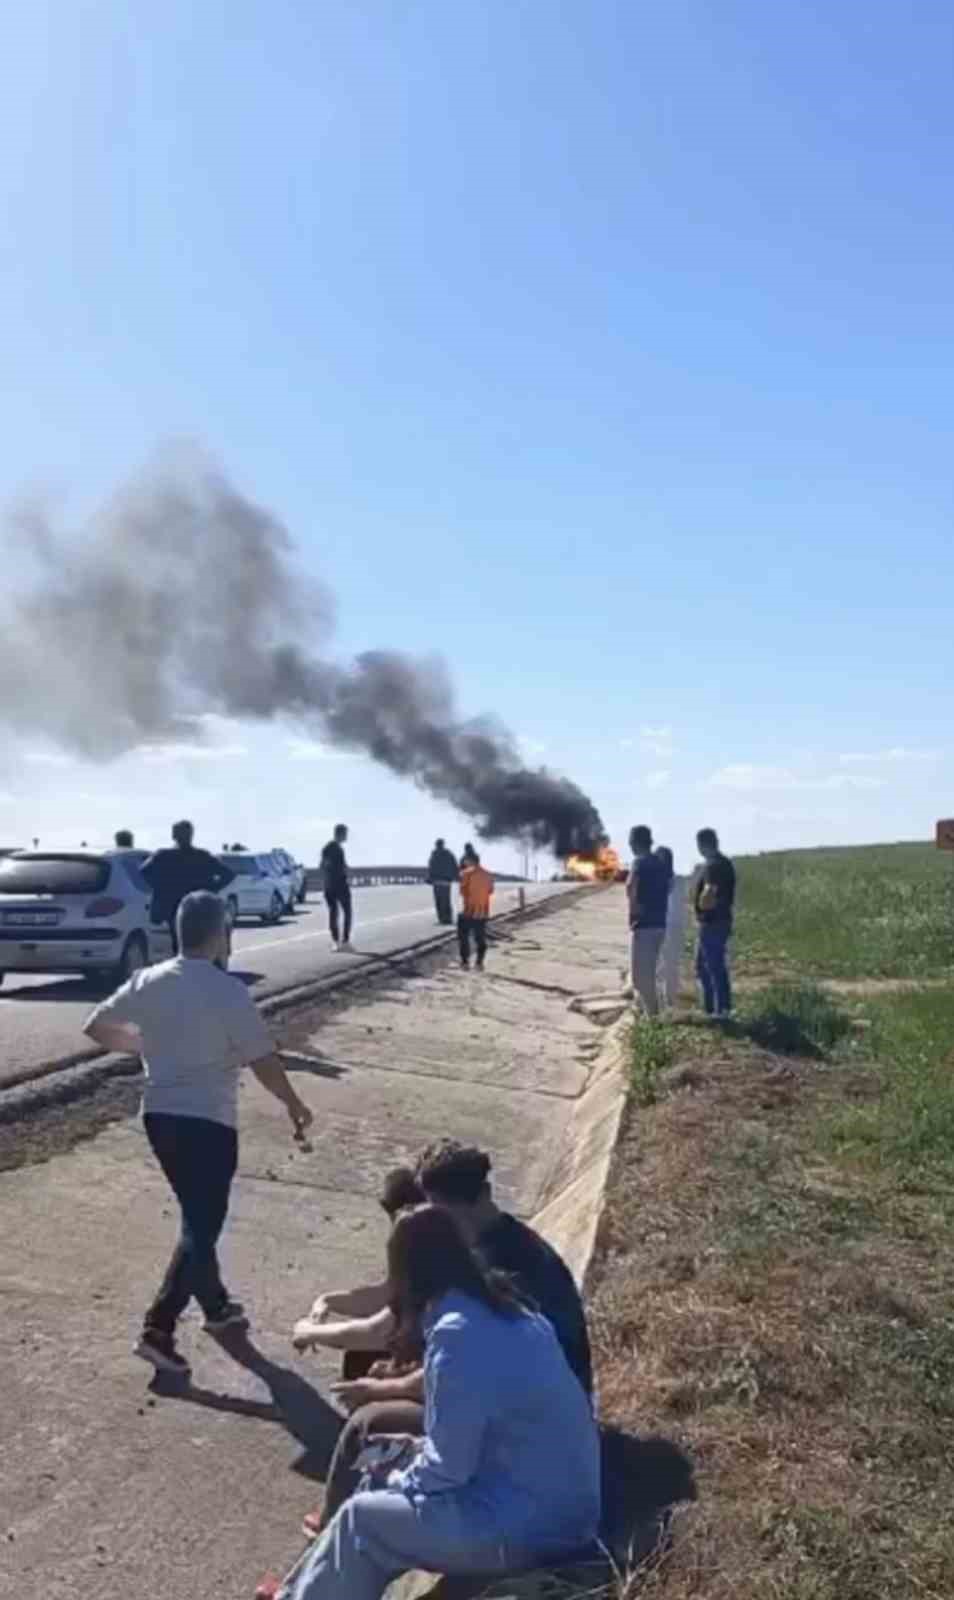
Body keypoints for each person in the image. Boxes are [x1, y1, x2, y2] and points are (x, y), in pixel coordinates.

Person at [261, 1205, 600, 1600]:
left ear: (408, 1275)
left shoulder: (457, 1335)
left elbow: (447, 1468)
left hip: (529, 1527)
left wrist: (399, 1478)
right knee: (377, 1468)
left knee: (362, 1520)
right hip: (556, 1502)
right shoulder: (506, 1306)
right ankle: (298, 1594)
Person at [293, 1140, 592, 1538]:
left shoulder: (500, 1269)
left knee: (367, 1423)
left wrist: (382, 1388)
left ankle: (336, 1527)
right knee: (367, 1367)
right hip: (516, 1398)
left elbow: (470, 1368)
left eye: (441, 1213)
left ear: (476, 1199)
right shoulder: (500, 1241)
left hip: (523, 1422)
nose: (434, 1223)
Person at [83, 891, 313, 1378]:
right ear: (220, 932)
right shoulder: (226, 990)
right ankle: (158, 1329)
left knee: (196, 1218)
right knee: (201, 1226)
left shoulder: (150, 979)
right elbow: (261, 1060)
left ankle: (216, 1306)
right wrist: (293, 1103)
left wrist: (146, 1049)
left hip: (159, 1117)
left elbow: (97, 1026)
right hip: (208, 1123)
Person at [141, 820, 234, 955]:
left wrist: (159, 886)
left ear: (174, 835)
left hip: (171, 906)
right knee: (197, 944)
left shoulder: (163, 856)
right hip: (196, 906)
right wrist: (211, 889)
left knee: (177, 943)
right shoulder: (201, 856)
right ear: (191, 835)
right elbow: (228, 874)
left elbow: (143, 872)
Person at [626, 825, 670, 1018]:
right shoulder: (660, 863)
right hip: (660, 923)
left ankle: (652, 1017)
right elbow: (668, 888)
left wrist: (633, 911)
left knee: (640, 978)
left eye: (630, 842)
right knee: (652, 972)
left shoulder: (639, 862)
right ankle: (653, 1012)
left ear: (636, 843)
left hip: (643, 926)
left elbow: (631, 886)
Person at [694, 827, 736, 1018]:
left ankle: (721, 1011)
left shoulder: (713, 865)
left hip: (712, 923)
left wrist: (702, 906)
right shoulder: (725, 863)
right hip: (721, 921)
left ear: (703, 845)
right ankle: (712, 1009)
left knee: (713, 966)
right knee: (704, 967)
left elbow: (709, 891)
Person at [655, 845, 688, 1010]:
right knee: (668, 966)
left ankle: (665, 1002)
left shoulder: (659, 882)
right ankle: (666, 1001)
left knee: (664, 966)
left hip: (666, 927)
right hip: (672, 927)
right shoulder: (680, 881)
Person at [458, 850, 493, 969]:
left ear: (471, 861)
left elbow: (463, 892)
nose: (464, 862)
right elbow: (490, 891)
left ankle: (465, 962)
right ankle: (479, 963)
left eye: (466, 860)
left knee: (463, 937)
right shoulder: (488, 875)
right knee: (480, 938)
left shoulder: (466, 874)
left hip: (469, 911)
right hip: (482, 911)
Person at [321, 824, 353, 952]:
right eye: (345, 834)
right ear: (340, 834)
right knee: (347, 912)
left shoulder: (330, 848)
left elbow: (323, 865)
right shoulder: (334, 848)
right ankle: (344, 941)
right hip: (339, 885)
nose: (347, 836)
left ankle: (336, 942)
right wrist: (342, 872)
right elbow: (327, 865)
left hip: (329, 885)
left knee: (333, 913)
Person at [426, 838, 459, 926]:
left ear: (436, 845)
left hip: (437, 882)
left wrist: (429, 878)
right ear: (443, 844)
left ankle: (442, 919)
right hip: (446, 882)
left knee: (438, 901)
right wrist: (456, 877)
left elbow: (430, 868)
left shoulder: (434, 854)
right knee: (446, 900)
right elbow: (455, 866)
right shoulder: (449, 854)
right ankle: (447, 918)